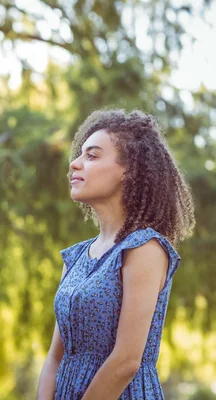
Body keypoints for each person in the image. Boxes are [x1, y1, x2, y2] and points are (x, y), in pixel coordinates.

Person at [37, 109, 195, 399]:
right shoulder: (76, 257)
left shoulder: (145, 248)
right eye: (80, 155)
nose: (75, 164)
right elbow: (54, 359)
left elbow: (125, 362)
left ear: (129, 169)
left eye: (92, 155)